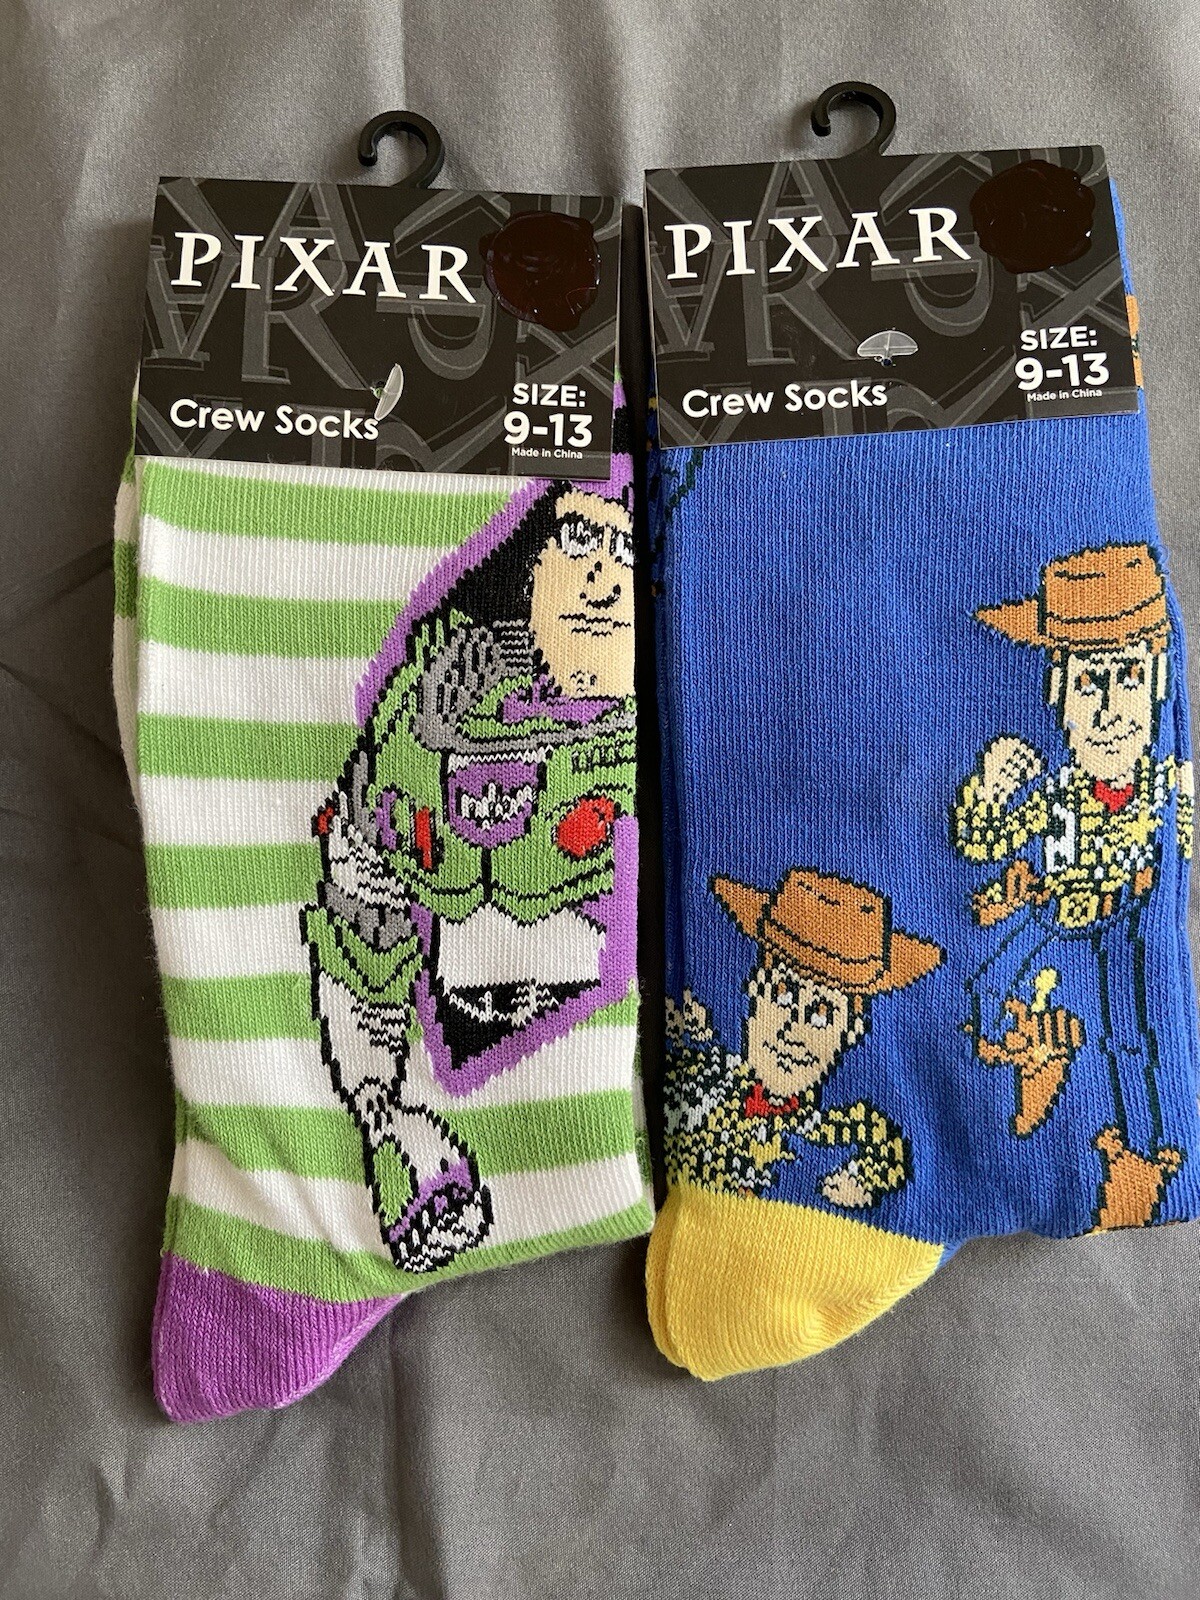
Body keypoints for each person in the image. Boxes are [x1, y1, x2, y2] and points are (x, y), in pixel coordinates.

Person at [303, 475, 637, 1272]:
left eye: (625, 550)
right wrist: (383, 1104)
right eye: (580, 540)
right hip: (429, 1039)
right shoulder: (431, 710)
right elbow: (364, 893)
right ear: (532, 564)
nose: (601, 577)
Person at [952, 541, 1194, 1227]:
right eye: (1090, 684)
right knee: (989, 991)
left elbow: (1178, 848)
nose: (1110, 707)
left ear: (1158, 680)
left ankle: (1141, 1155)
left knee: (1134, 1027)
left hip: (1127, 923)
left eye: (1127, 678)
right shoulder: (1056, 794)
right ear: (1058, 692)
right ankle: (1040, 1059)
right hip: (1054, 917)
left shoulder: (1163, 786)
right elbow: (984, 841)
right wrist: (986, 790)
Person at [665, 867, 942, 1211]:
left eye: (822, 1014)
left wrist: (862, 1179)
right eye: (783, 994)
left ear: (852, 1030)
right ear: (755, 986)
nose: (793, 1031)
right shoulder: (708, 1078)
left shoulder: (826, 1134)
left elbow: (886, 1144)